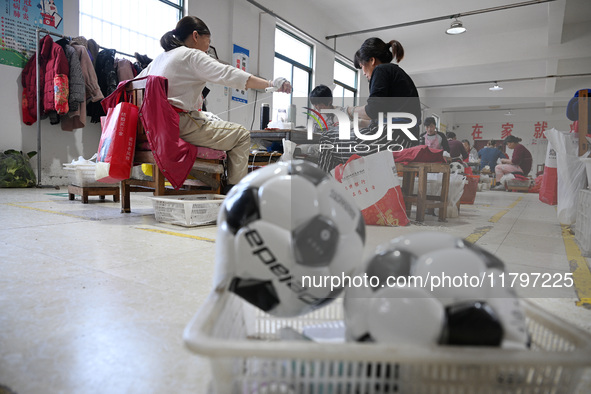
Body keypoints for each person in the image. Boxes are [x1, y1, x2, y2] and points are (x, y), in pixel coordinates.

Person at [138, 16, 291, 192]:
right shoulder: (192, 55)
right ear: (196, 36)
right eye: (208, 41)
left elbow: (134, 84)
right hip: (175, 126)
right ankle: (235, 193)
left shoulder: (159, 59)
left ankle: (219, 185)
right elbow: (228, 73)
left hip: (150, 127)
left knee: (210, 121)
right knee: (241, 135)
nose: (207, 47)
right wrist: (271, 84)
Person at [320, 37, 421, 172]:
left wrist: (348, 110)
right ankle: (339, 189)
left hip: (392, 140)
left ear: (372, 61)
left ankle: (323, 191)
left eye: (362, 66)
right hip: (404, 140)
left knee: (327, 139)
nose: (363, 73)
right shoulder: (395, 73)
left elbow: (372, 110)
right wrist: (358, 123)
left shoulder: (381, 70)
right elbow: (379, 118)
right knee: (337, 140)